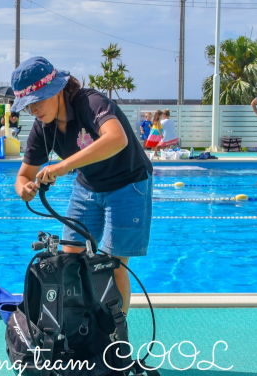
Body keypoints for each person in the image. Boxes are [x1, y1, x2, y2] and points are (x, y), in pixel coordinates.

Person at [13, 57, 153, 317]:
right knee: (69, 258)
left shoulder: (90, 102)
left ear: (56, 90)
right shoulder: (43, 127)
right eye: (27, 106)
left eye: (37, 101)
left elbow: (117, 138)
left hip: (128, 183)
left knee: (114, 266)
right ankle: (78, 328)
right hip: (87, 187)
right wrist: (24, 189)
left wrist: (63, 166)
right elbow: (22, 176)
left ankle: (116, 339)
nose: (33, 111)